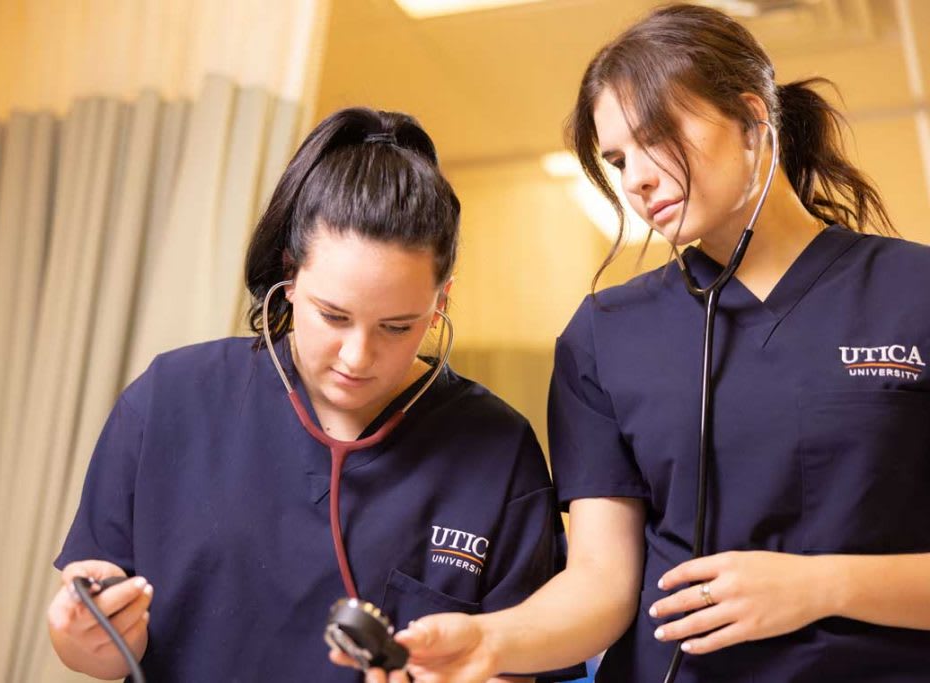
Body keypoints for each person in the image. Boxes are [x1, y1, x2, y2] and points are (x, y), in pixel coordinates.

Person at [385, 5, 930, 682]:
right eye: (617, 158)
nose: (636, 178)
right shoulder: (603, 335)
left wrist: (821, 587)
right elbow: (601, 584)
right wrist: (492, 640)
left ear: (754, 121)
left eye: (657, 137)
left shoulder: (915, 292)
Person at [46, 106, 584, 682]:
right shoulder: (171, 400)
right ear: (291, 275)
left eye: (397, 326)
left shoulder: (498, 453)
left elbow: (522, 665)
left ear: (441, 303)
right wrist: (80, 633)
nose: (357, 355)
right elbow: (92, 641)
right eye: (333, 315)